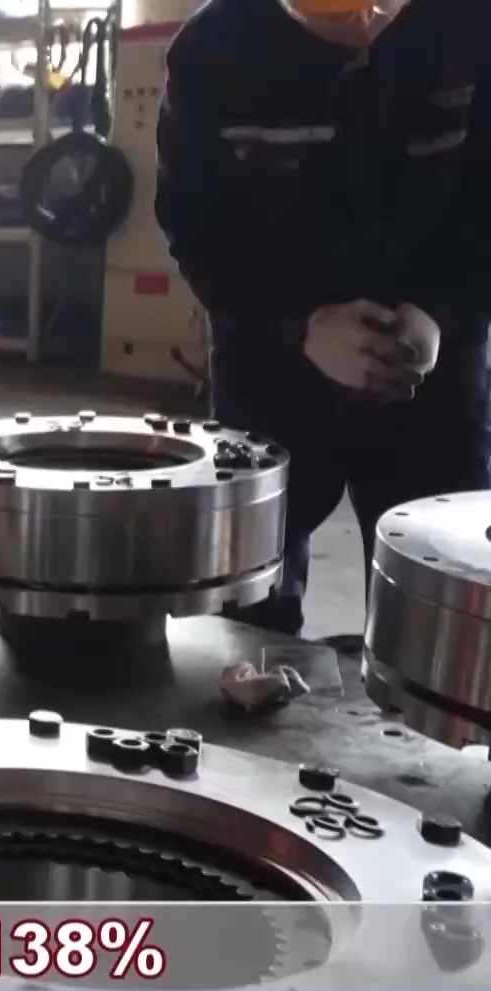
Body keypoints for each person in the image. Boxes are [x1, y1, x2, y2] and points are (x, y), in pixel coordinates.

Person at [155, 0, 490, 636]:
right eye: (333, 18)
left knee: (441, 621)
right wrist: (302, 323)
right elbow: (196, 224)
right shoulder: (212, 50)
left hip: (432, 373)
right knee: (246, 620)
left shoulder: (471, 28)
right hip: (271, 364)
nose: (360, 29)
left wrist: (439, 310)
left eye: (376, 12)